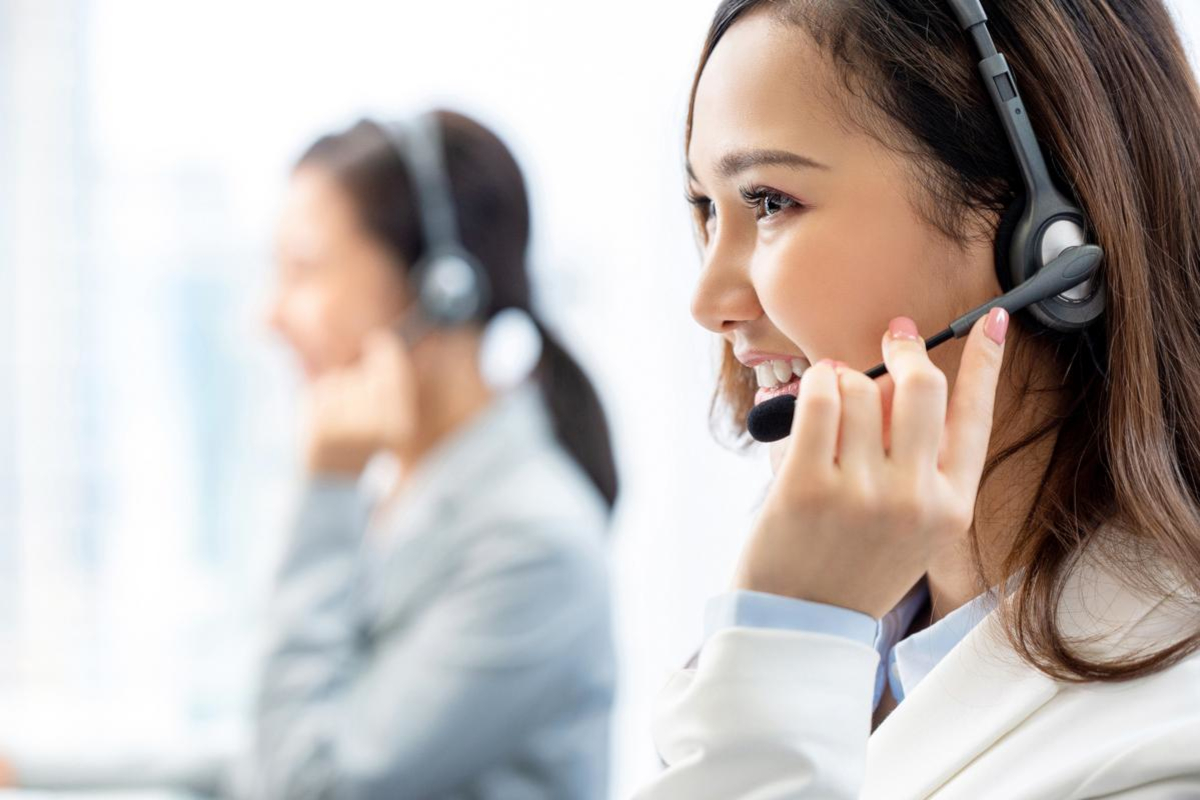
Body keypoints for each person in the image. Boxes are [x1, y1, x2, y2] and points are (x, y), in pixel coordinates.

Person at [636, 1, 1200, 797]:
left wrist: (793, 640)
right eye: (705, 208)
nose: (708, 302)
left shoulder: (1168, 747)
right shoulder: (839, 635)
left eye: (768, 201)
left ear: (1046, 240)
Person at [3, 110, 619, 800]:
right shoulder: (409, 494)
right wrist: (21, 769)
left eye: (303, 269)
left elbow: (303, 783)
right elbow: (262, 753)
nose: (269, 316)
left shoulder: (533, 543)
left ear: (438, 288)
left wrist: (327, 491)